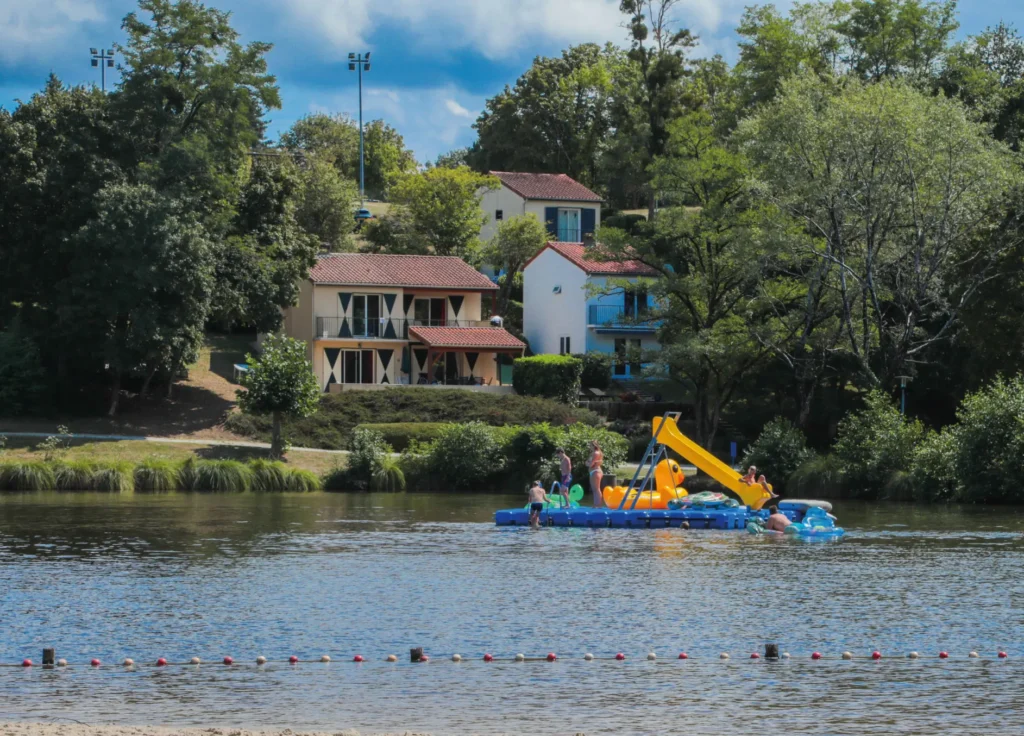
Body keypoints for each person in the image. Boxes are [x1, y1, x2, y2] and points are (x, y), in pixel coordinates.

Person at [587, 441, 604, 508]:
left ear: (594, 445)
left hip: (596, 471)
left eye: (590, 445)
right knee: (594, 489)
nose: (590, 447)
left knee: (597, 489)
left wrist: (588, 463)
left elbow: (590, 464)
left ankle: (598, 504)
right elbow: (588, 462)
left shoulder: (596, 453)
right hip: (593, 471)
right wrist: (588, 463)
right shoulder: (593, 453)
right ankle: (596, 504)